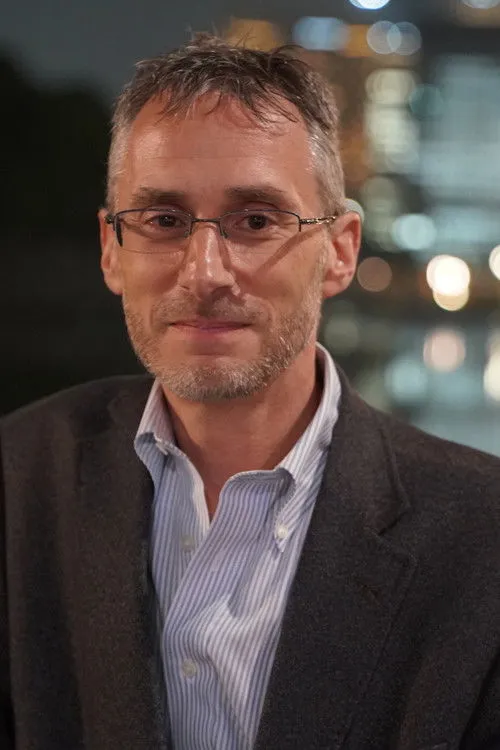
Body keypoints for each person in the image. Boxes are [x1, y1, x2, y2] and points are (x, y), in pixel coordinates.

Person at [1, 33, 500, 750]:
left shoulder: (483, 538)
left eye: (257, 221)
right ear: (112, 250)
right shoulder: (16, 479)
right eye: (164, 221)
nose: (205, 271)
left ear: (340, 251)